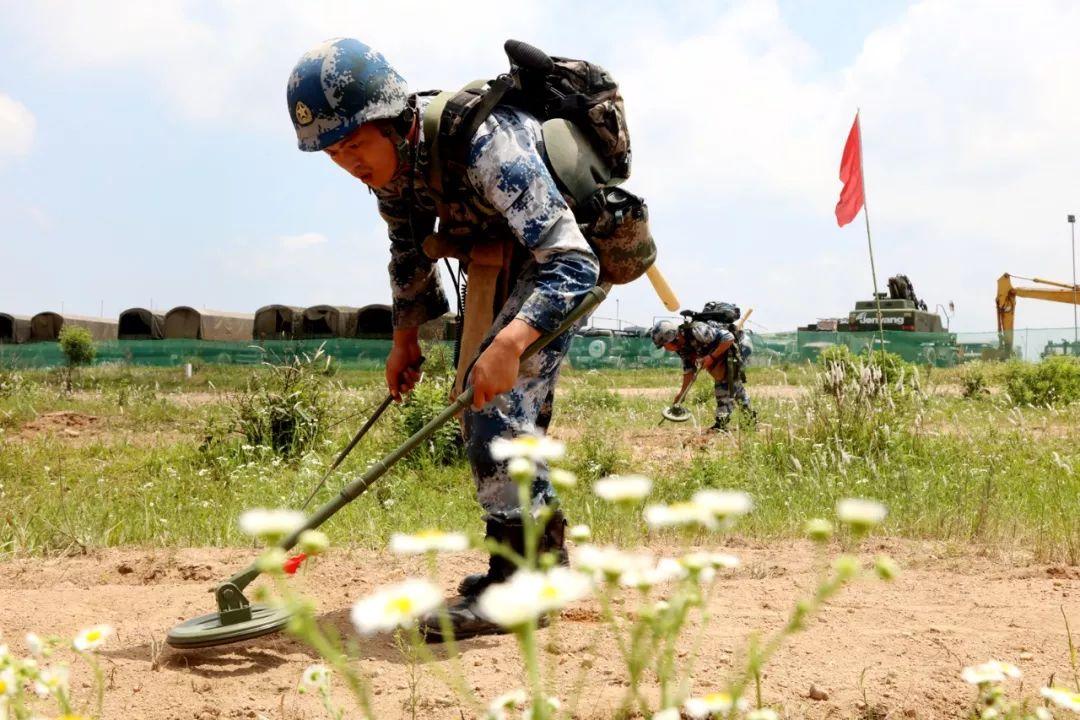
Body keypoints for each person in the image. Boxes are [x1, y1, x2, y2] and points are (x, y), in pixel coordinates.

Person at [287, 38, 600, 641]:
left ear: (393, 120)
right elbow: (408, 249)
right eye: (332, 151)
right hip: (504, 257)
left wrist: (508, 346)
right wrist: (406, 338)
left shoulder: (483, 143)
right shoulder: (392, 169)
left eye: (355, 143)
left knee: (497, 408)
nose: (348, 160)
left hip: (558, 262)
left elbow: (571, 263)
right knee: (482, 403)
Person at [650, 318, 754, 431]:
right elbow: (689, 371)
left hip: (730, 349)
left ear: (672, 337)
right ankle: (750, 419)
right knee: (734, 386)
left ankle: (722, 423)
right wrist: (682, 394)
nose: (665, 348)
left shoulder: (697, 331)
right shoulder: (681, 348)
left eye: (665, 345)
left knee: (724, 384)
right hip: (717, 357)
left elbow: (728, 338)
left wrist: (711, 357)